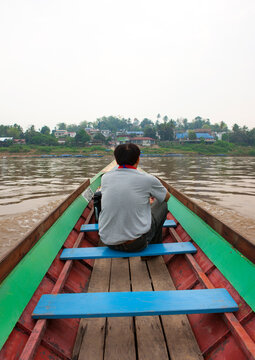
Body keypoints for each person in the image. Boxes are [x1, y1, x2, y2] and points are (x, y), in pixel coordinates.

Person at [98, 143, 171, 253]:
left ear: (116, 161)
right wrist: (148, 200)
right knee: (162, 204)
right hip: (136, 244)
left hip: (108, 242)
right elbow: (166, 197)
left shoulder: (105, 178)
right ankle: (153, 251)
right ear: (138, 160)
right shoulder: (148, 179)